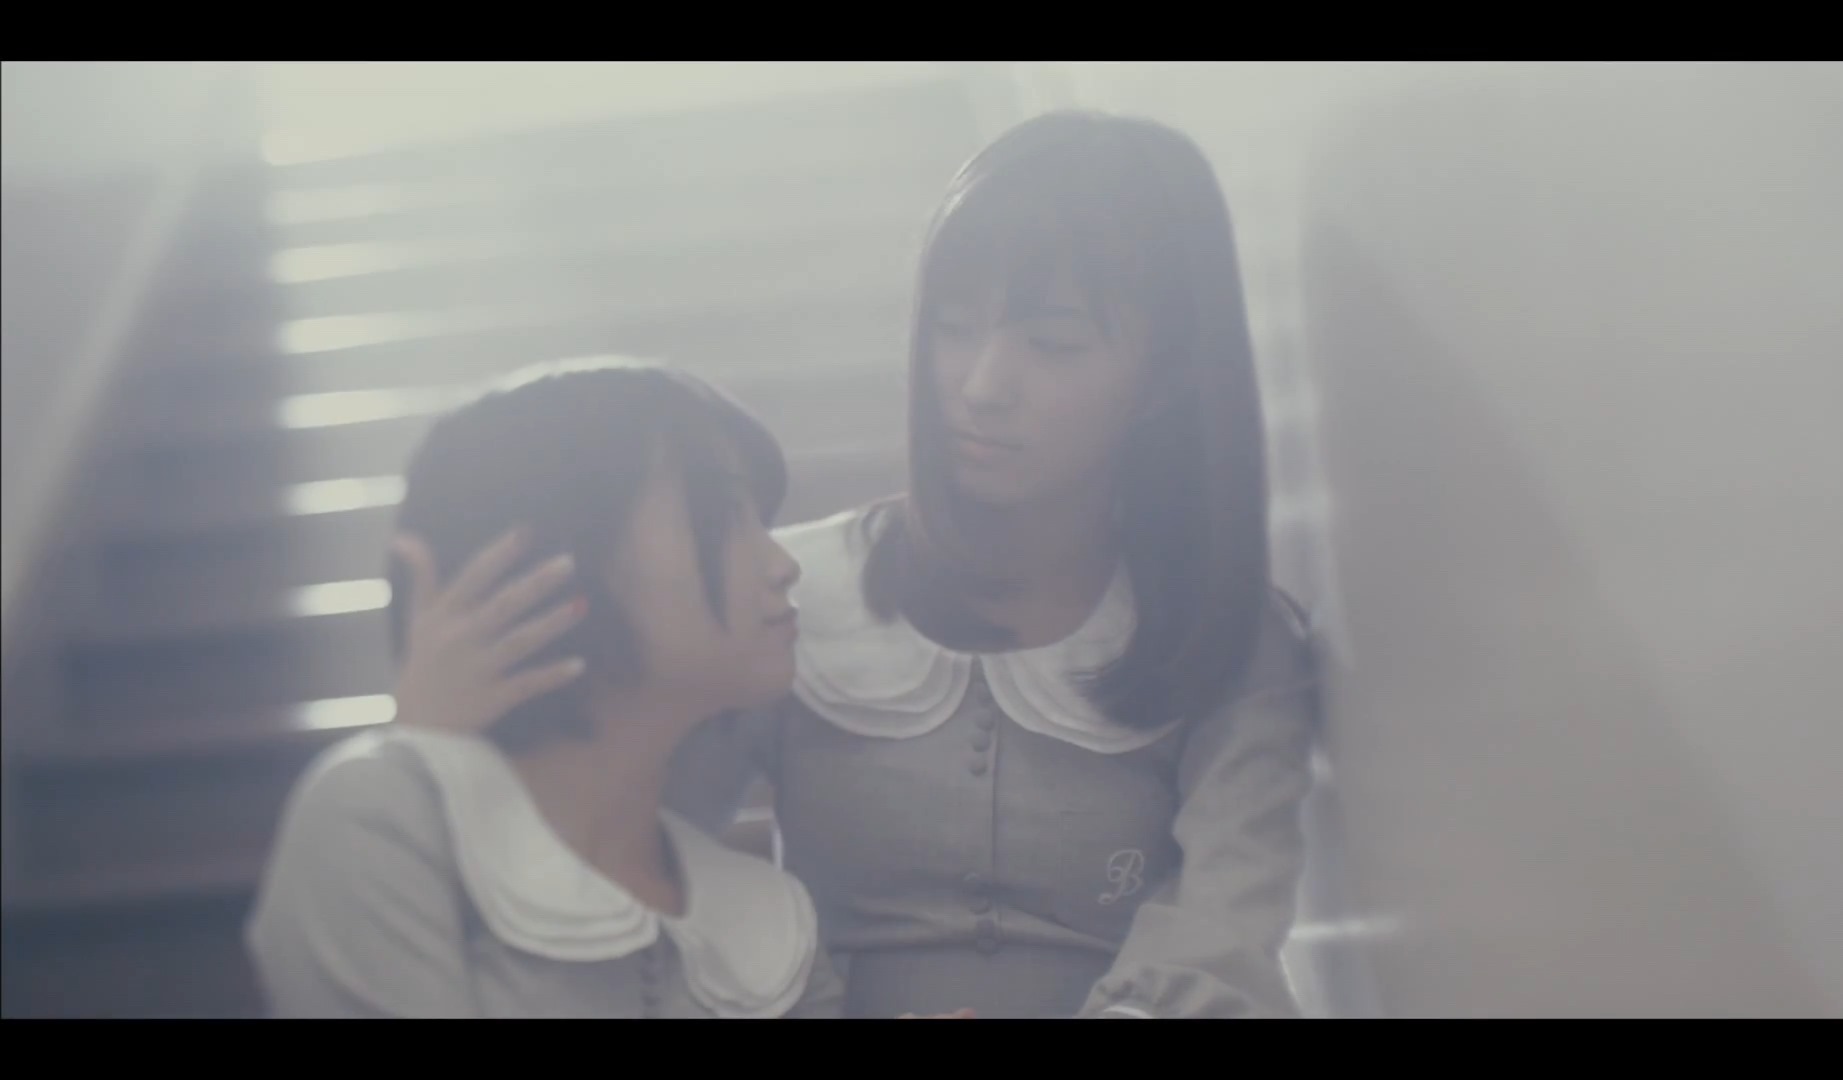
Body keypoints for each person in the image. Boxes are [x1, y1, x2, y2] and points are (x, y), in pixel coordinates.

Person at [391, 111, 1321, 1019]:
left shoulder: (1238, 642)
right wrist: (441, 748)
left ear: (1166, 376)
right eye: (951, 326)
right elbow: (619, 862)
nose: (981, 387)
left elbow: (1224, 938)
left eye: (1053, 343)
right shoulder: (783, 597)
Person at [245, 360, 849, 1019]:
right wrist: (430, 763)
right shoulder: (378, 822)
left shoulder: (770, 924)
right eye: (725, 515)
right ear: (562, 551)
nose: (783, 564)